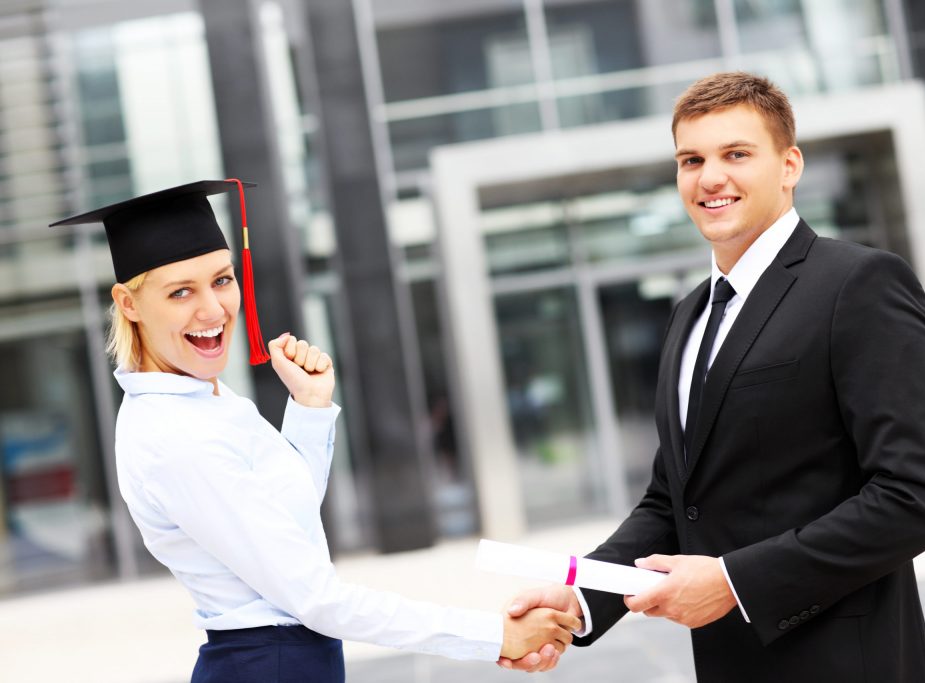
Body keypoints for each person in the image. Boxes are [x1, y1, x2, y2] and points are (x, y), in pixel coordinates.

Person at [501, 72, 925, 681]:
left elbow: (917, 497)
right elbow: (675, 502)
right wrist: (586, 594)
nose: (709, 177)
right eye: (691, 159)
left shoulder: (859, 285)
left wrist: (732, 582)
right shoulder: (689, 314)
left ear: (789, 165)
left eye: (736, 154)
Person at [50, 180, 579, 682]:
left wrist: (308, 408)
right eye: (181, 292)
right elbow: (316, 597)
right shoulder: (174, 435)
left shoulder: (204, 402)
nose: (212, 309)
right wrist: (494, 635)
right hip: (268, 665)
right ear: (128, 303)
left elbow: (288, 523)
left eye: (222, 279)